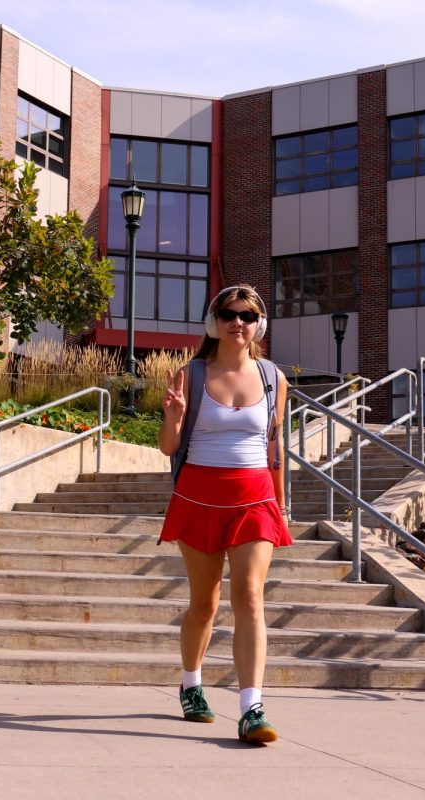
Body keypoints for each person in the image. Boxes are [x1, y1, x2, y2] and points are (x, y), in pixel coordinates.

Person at [157, 284, 291, 745]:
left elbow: (275, 450)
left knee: (250, 597)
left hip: (254, 497)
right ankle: (191, 684)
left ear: (260, 325)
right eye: (231, 314)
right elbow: (169, 447)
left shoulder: (273, 377)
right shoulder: (191, 374)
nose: (240, 323)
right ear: (214, 322)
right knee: (204, 603)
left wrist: (280, 503)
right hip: (198, 496)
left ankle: (252, 708)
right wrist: (173, 416)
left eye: (249, 316)